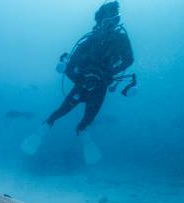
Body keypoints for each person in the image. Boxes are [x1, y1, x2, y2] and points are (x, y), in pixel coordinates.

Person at [46, 1, 134, 135]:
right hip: (82, 84)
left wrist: (110, 73)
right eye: (106, 22)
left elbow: (129, 60)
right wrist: (80, 79)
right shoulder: (90, 41)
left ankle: (81, 130)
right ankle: (46, 125)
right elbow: (70, 66)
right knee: (60, 112)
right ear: (99, 23)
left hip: (102, 85)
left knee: (87, 119)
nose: (111, 26)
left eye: (115, 21)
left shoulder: (121, 40)